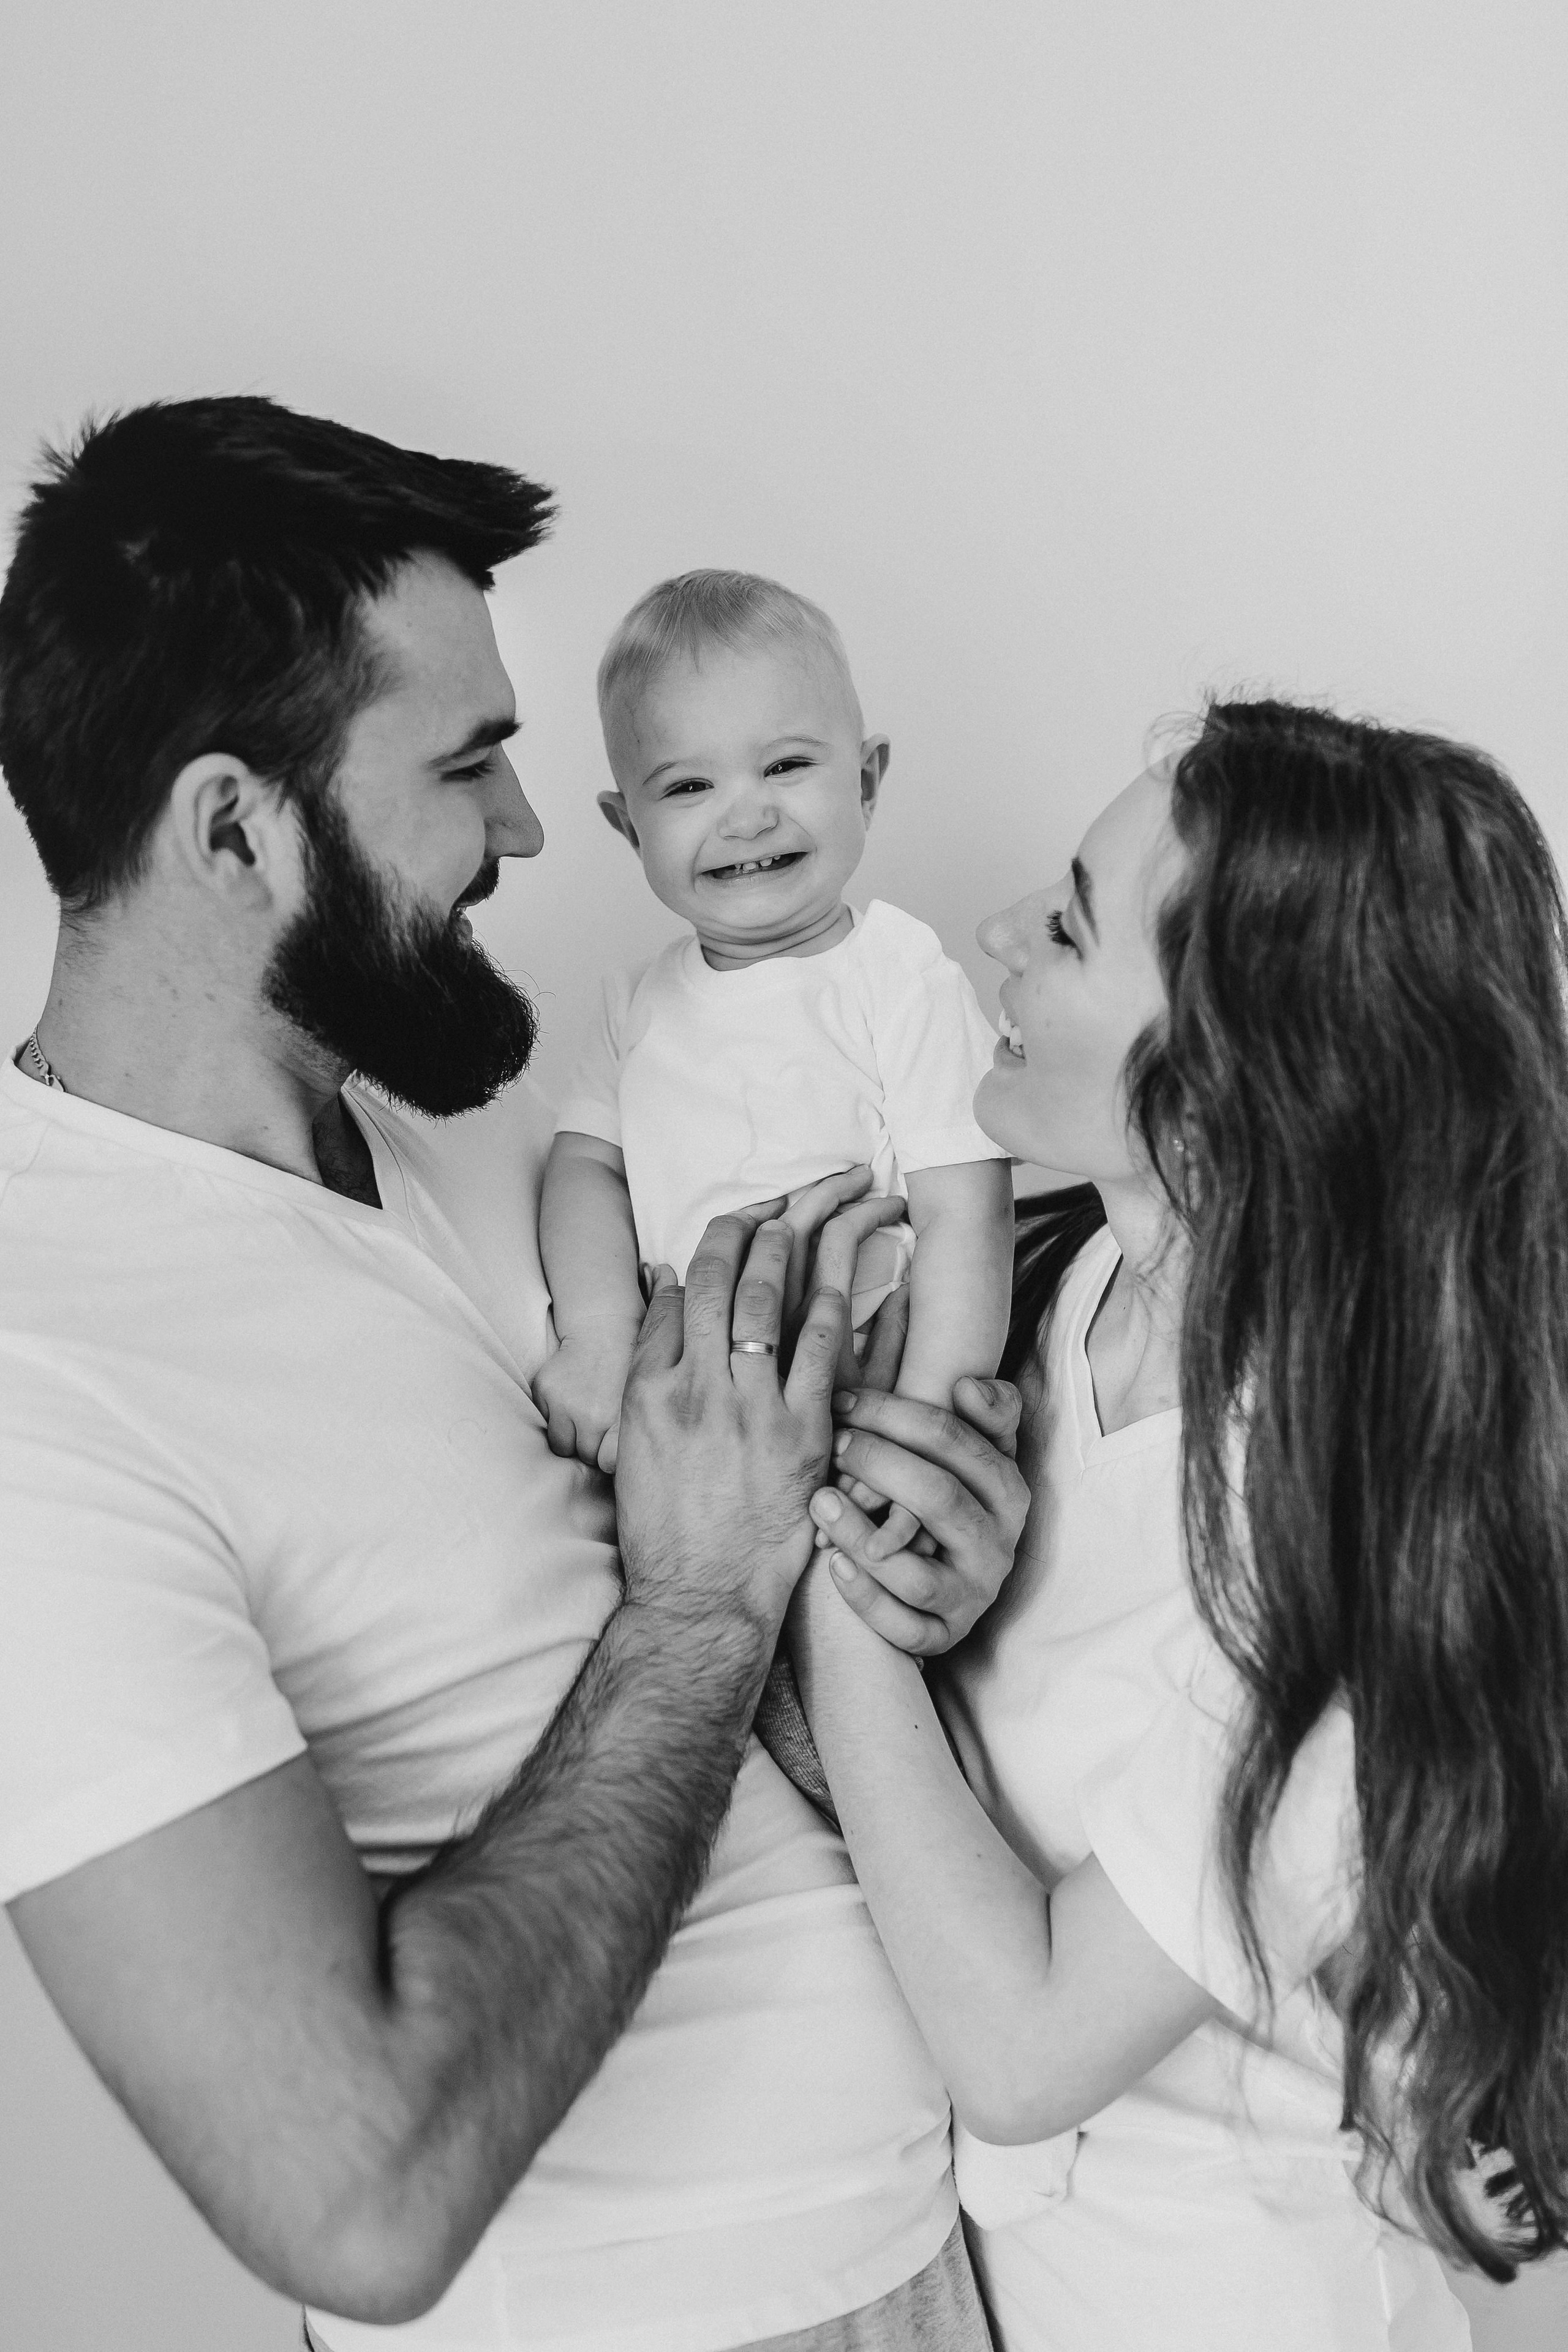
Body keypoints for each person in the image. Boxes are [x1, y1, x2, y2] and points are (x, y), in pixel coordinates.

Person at [0, 396, 1028, 2352]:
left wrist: (913, 1587)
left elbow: (694, 1581)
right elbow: (355, 2192)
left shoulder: (494, 1121)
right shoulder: (36, 1370)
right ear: (233, 825)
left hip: (928, 2260)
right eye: (469, 764)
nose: (545, 832)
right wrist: (712, 1597)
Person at [788, 701, 1568, 2350]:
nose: (998, 933)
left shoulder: (1351, 1554)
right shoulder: (1053, 1294)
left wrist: (839, 1611)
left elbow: (1021, 2048)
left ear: (1225, 1092)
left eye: (1068, 926)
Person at [537, 568, 1014, 1543]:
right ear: (629, 827)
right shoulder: (636, 1005)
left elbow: (968, 1212)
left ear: (868, 781)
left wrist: (917, 1426)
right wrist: (595, 1336)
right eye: (689, 786)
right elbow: (585, 1168)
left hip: (857, 1399)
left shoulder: (900, 973)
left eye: (787, 767)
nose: (745, 814)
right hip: (685, 1413)